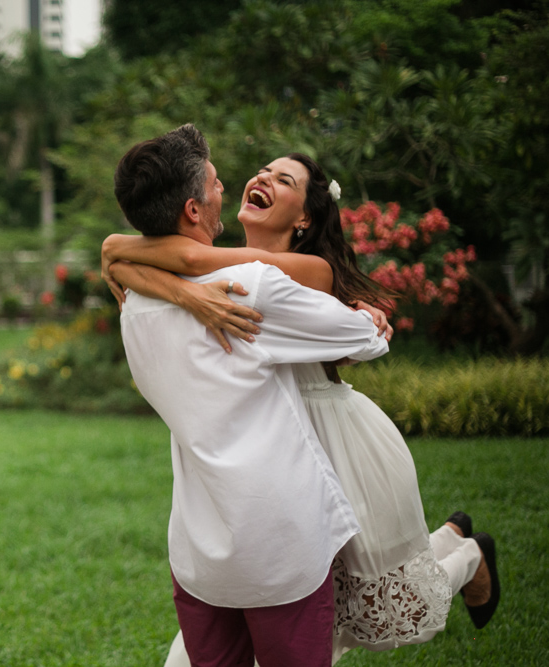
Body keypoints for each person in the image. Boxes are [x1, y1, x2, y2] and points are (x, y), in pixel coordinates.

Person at [102, 149, 500, 665]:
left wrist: (366, 318)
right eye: (254, 173)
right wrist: (187, 295)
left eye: (281, 178)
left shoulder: (279, 275)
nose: (256, 178)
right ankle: (454, 537)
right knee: (334, 614)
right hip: (271, 468)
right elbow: (176, 262)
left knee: (388, 603)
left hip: (335, 441)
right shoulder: (229, 280)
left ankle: (467, 554)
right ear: (194, 209)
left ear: (306, 215)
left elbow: (172, 258)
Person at [112, 123, 395, 667]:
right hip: (280, 543)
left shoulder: (132, 303)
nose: (227, 188)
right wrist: (364, 319)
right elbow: (364, 339)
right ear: (194, 210)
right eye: (216, 184)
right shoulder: (250, 288)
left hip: (199, 547)